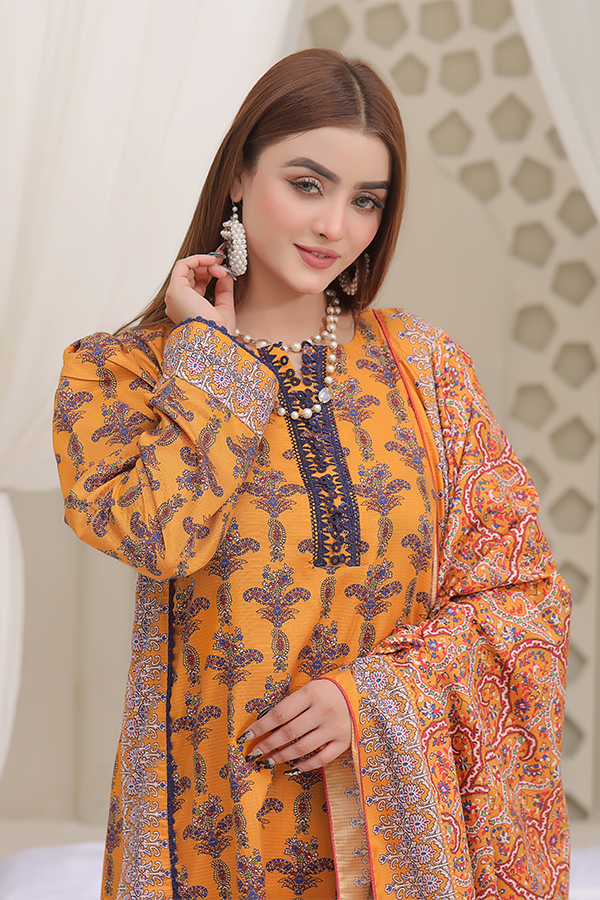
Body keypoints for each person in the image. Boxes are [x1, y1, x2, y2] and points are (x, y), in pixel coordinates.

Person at [53, 48, 570, 900]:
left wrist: (371, 699)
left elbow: (524, 597)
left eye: (366, 200)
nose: (335, 225)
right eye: (307, 185)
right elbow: (160, 538)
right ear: (238, 176)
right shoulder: (122, 374)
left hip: (394, 838)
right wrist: (211, 360)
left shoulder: (426, 369)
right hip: (215, 826)